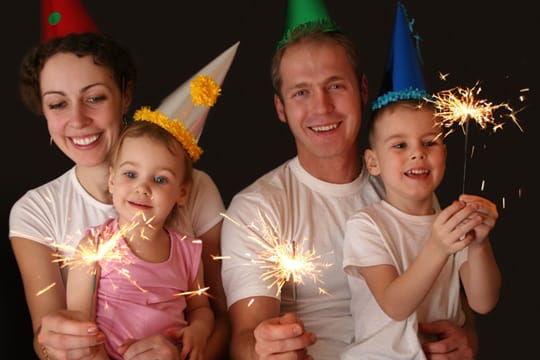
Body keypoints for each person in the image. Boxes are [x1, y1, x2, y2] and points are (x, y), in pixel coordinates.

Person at [221, 1, 480, 359]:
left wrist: (465, 336)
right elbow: (245, 338)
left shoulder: (407, 181)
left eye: (335, 85)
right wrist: (265, 348)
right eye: (300, 92)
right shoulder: (257, 209)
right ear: (281, 108)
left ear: (361, 89)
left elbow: (454, 297)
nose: (322, 107)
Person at [9, 2, 234, 359]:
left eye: (94, 97)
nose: (78, 119)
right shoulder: (36, 211)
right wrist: (61, 341)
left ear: (125, 95)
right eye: (57, 104)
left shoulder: (197, 189)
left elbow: (221, 315)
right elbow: (46, 341)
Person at [341, 5, 501, 359]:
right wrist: (439, 246)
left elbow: (484, 302)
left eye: (430, 142)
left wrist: (478, 244)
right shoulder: (367, 226)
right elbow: (394, 304)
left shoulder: (450, 218)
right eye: (400, 145)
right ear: (374, 162)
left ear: (444, 152)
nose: (417, 154)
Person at [67, 114, 216, 360]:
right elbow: (80, 323)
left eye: (160, 179)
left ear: (181, 193)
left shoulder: (188, 252)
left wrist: (199, 329)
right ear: (112, 180)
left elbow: (201, 309)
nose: (143, 187)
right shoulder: (95, 245)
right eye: (130, 174)